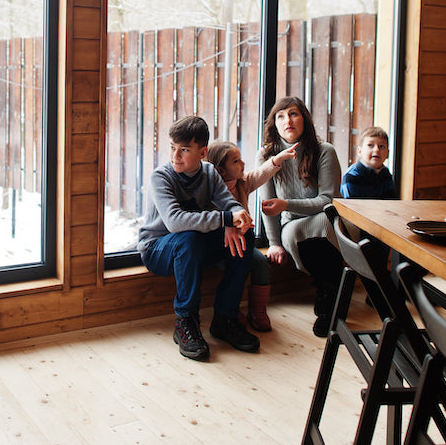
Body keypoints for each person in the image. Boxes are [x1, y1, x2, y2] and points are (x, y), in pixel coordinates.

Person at [137, 115, 261, 361]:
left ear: (203, 152)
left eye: (184, 149)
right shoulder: (161, 177)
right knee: (187, 238)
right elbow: (175, 222)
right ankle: (186, 321)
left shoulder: (209, 173)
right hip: (158, 249)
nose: (175, 156)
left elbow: (229, 204)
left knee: (245, 235)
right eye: (172, 148)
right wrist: (225, 219)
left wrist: (235, 220)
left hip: (193, 247)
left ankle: (225, 318)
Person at [257, 96, 343, 338]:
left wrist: (286, 203)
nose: (288, 121)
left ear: (304, 118)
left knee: (324, 222)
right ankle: (331, 292)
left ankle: (328, 299)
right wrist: (273, 244)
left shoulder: (324, 151)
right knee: (295, 231)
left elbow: (328, 201)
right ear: (274, 124)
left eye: (293, 114)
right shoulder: (266, 156)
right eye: (281, 116)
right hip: (291, 226)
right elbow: (267, 206)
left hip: (327, 220)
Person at [206, 139, 297, 331]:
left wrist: (278, 159)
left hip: (244, 245)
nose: (243, 164)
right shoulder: (211, 192)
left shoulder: (242, 184)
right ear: (221, 170)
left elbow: (260, 174)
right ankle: (231, 309)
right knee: (236, 266)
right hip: (222, 246)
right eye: (236, 161)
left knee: (261, 263)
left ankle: (258, 310)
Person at [341, 126, 397, 199]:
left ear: (387, 154)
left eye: (381, 146)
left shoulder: (386, 174)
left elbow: (392, 202)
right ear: (359, 151)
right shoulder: (352, 176)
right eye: (370, 145)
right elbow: (351, 206)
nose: (377, 150)